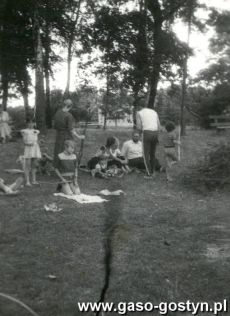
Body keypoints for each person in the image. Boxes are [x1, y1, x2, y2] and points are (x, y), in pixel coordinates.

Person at [53, 99, 85, 168]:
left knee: (59, 150)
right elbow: (71, 129)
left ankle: (58, 166)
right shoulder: (69, 115)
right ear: (70, 106)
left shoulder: (57, 113)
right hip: (67, 136)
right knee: (70, 149)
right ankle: (68, 166)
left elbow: (55, 126)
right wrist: (79, 136)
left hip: (58, 136)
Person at [136, 105, 161, 178]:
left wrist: (140, 133)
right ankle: (153, 171)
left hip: (147, 133)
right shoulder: (154, 112)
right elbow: (159, 126)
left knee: (145, 154)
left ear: (140, 107)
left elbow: (139, 126)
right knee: (152, 154)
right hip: (155, 133)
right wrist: (157, 137)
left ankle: (149, 174)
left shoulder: (139, 113)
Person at [21, 121, 41, 186]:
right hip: (28, 149)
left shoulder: (36, 131)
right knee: (28, 165)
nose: (31, 124)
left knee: (34, 165)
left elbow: (36, 140)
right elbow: (24, 142)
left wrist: (39, 142)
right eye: (29, 123)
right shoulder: (24, 131)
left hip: (35, 148)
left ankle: (34, 180)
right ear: (27, 124)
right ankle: (27, 181)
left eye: (32, 123)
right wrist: (29, 144)